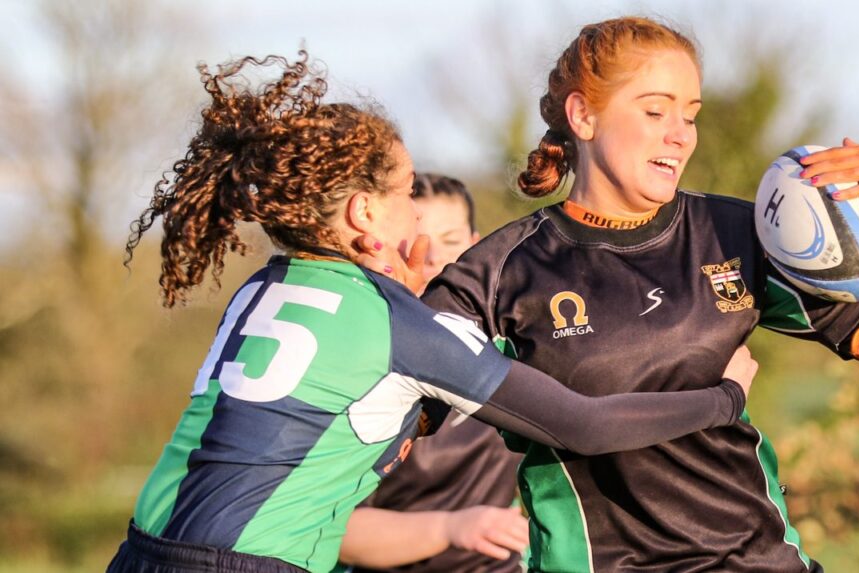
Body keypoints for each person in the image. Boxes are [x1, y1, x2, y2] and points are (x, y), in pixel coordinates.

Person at [106, 51, 760, 573]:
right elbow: (581, 425)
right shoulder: (397, 324)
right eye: (404, 192)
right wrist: (724, 398)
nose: (416, 212)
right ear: (366, 214)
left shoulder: (258, 289)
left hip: (140, 545)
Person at [365, 16, 859, 573]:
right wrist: (394, 317)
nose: (679, 133)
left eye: (690, 114)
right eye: (655, 110)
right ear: (583, 115)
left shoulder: (737, 234)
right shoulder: (500, 271)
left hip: (755, 560)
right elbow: (390, 432)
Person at [339, 174, 526, 572]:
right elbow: (335, 532)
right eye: (420, 239)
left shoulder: (515, 347)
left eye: (452, 240)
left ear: (477, 246)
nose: (436, 258)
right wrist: (452, 527)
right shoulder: (359, 364)